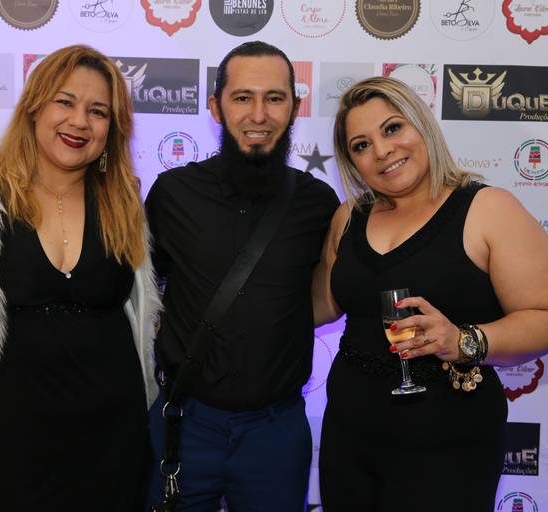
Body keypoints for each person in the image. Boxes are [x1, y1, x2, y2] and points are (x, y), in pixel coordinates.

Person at [0, 45, 160, 511]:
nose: (79, 122)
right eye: (65, 102)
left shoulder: (123, 202)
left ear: (112, 127)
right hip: (2, 440)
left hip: (111, 440)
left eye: (97, 111)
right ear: (35, 106)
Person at [313, 76, 548, 511]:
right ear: (351, 160)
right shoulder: (349, 217)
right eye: (361, 145)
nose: (382, 150)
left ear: (421, 125)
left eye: (393, 128)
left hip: (450, 443)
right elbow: (320, 303)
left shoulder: (489, 209)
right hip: (349, 439)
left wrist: (464, 340)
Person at [144, 41, 338, 510]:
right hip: (184, 423)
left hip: (275, 431)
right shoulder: (172, 194)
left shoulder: (318, 203)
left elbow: (326, 296)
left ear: (294, 108)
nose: (259, 114)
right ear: (216, 107)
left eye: (275, 98)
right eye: (242, 97)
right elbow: (145, 294)